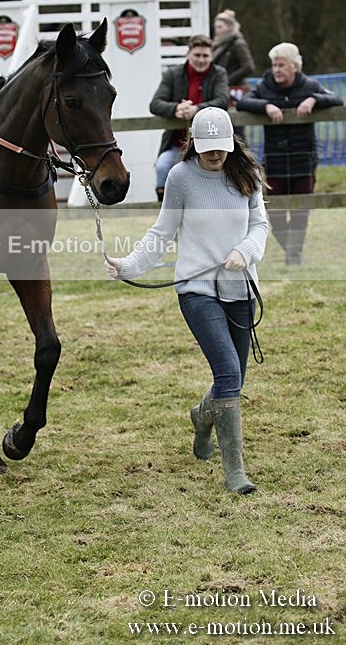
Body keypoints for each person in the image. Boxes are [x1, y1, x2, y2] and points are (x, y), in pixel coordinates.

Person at [105, 107, 268, 495]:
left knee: (234, 379)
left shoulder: (246, 173)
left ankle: (202, 417)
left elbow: (260, 225)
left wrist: (244, 250)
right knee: (228, 372)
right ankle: (235, 471)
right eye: (208, 148)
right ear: (194, 143)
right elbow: (162, 233)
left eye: (221, 147)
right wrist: (128, 265)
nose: (215, 155)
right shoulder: (180, 177)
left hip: (241, 288)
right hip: (197, 290)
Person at [237, 42, 343, 265]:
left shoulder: (309, 85)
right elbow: (243, 103)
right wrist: (266, 105)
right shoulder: (265, 86)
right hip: (275, 161)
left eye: (281, 65)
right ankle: (292, 251)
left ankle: (293, 256)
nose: (276, 69)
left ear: (295, 66)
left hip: (304, 160)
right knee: (275, 214)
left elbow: (337, 99)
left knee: (300, 214)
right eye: (274, 65)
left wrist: (314, 99)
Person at [150, 34, 229, 202]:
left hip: (210, 144)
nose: (201, 60)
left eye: (205, 56)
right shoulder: (173, 74)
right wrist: (176, 108)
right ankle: (164, 209)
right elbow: (155, 104)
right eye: (197, 55)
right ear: (188, 54)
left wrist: (196, 109)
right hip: (177, 143)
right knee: (162, 167)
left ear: (211, 56)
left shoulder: (219, 73)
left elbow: (223, 100)